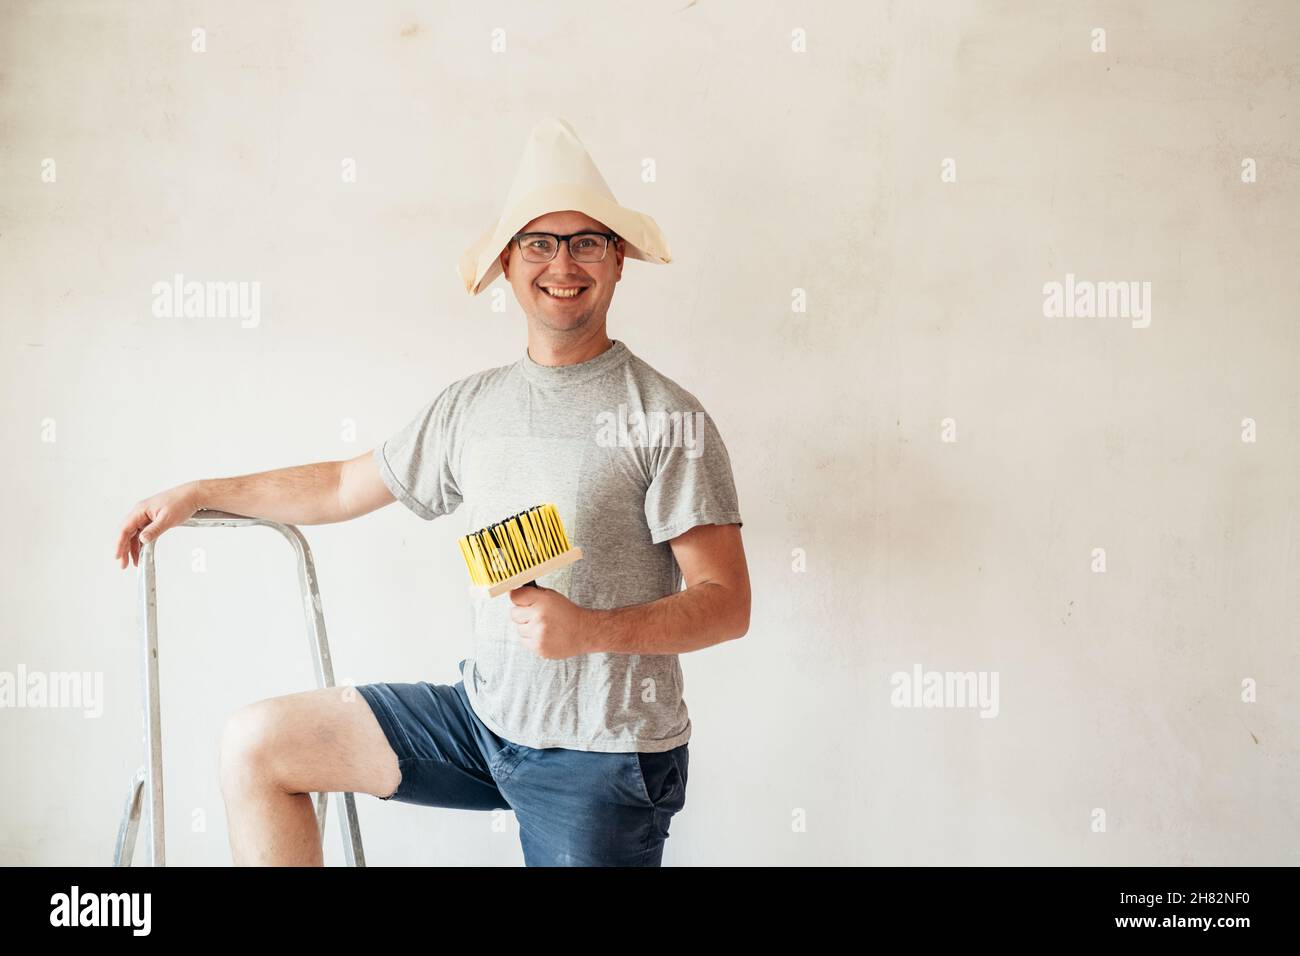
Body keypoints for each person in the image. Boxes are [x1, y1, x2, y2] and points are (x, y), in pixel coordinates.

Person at [112, 117, 749, 866]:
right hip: (483, 720)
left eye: (587, 242)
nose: (563, 263)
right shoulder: (470, 406)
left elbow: (727, 604)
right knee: (257, 745)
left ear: (617, 263)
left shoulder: (666, 416)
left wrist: (590, 630)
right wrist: (200, 491)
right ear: (507, 265)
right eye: (540, 243)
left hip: (602, 754)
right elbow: (345, 483)